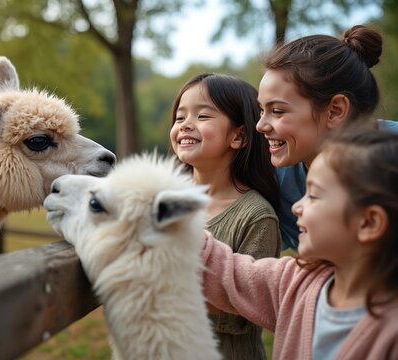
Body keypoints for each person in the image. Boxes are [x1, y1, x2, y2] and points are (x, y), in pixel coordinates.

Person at [201, 128, 398, 359]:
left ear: (369, 222)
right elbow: (226, 273)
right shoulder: (294, 281)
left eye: (313, 195)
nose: (296, 207)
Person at [256, 24, 398, 251]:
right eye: (261, 110)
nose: (260, 125)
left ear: (335, 110)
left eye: (278, 111)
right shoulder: (279, 179)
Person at [170, 73, 281, 359]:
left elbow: (247, 307)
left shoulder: (256, 216)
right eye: (180, 117)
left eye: (203, 116)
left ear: (238, 136)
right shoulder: (163, 201)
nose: (185, 125)